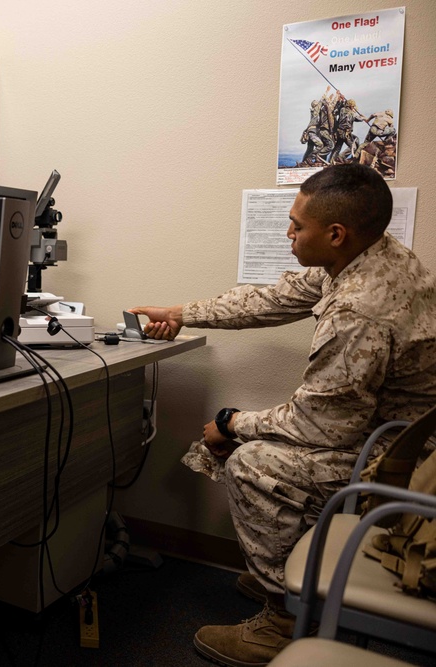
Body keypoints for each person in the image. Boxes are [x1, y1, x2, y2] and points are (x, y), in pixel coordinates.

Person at [131, 163, 436, 666]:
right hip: (393, 437)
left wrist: (229, 422)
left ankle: (284, 617)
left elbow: (319, 425)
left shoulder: (359, 310)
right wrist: (179, 313)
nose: (288, 231)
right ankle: (297, 570)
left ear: (335, 235)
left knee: (251, 462)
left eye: (297, 224)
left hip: (397, 465)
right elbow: (272, 299)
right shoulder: (374, 257)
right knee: (251, 442)